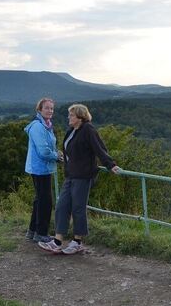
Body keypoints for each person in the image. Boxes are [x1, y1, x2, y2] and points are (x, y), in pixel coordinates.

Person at [39, 103, 120, 255]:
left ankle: (77, 242)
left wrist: (111, 165)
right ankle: (57, 241)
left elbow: (99, 148)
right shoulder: (72, 131)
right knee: (62, 206)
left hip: (83, 176)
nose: (68, 117)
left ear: (80, 117)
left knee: (78, 208)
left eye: (71, 115)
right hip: (71, 175)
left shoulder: (88, 130)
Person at [24, 97, 63, 243]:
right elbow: (44, 152)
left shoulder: (46, 125)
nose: (50, 111)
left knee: (39, 200)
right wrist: (57, 157)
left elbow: (48, 147)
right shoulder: (38, 127)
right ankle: (41, 233)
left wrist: (55, 153)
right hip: (40, 168)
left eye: (52, 108)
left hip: (43, 167)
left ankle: (32, 231)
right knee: (46, 201)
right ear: (39, 110)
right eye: (46, 108)